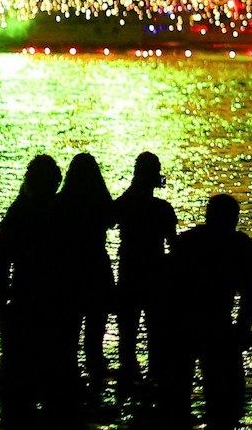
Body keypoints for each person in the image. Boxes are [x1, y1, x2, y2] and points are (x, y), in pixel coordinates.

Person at [159, 194, 252, 430]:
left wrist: (165, 328)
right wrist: (242, 332)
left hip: (183, 325)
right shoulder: (245, 249)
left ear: (208, 216)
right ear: (235, 219)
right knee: (225, 404)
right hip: (219, 326)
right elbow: (248, 299)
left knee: (176, 400)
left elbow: (168, 289)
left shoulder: (187, 243)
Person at [0, 154, 76, 420]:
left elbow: (1, 262)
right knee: (57, 377)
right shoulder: (63, 213)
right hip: (57, 303)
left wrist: (0, 304)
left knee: (17, 379)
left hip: (24, 299)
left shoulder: (18, 212)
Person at [112, 151, 177, 378]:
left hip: (130, 272)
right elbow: (174, 247)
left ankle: (128, 379)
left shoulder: (126, 204)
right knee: (157, 334)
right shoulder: (163, 209)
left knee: (127, 336)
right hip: (156, 274)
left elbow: (109, 217)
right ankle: (156, 381)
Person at [58, 151, 116, 381]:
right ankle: (95, 370)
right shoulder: (101, 200)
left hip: (69, 269)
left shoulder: (61, 202)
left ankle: (69, 374)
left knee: (69, 328)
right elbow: (112, 219)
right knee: (95, 328)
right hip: (96, 267)